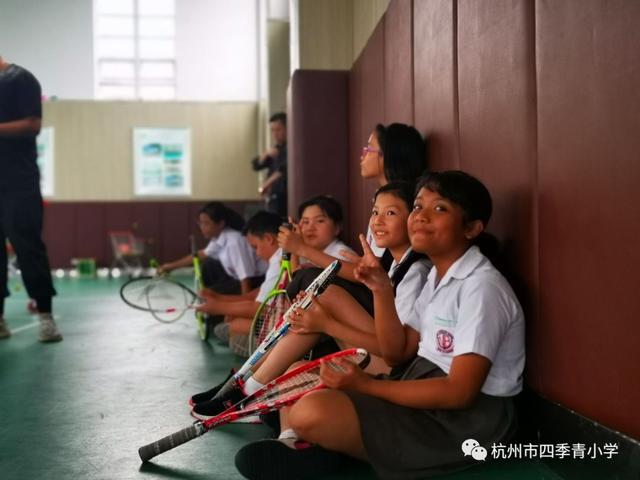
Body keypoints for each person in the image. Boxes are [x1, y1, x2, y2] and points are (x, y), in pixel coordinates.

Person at [234, 171, 525, 480]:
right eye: (417, 207)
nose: (421, 217)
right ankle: (307, 447)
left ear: (472, 228)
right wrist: (381, 290)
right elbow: (396, 352)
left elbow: (459, 393)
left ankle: (319, 444)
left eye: (439, 209)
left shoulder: (481, 288)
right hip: (419, 387)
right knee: (302, 391)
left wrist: (367, 386)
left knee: (310, 410)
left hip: (465, 423)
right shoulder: (438, 278)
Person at [191, 183, 431, 419]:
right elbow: (336, 273)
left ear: (414, 219)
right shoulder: (390, 262)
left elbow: (394, 353)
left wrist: (326, 324)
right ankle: (246, 385)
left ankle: (247, 390)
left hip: (392, 372)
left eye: (390, 213)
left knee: (324, 295)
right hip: (370, 352)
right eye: (375, 212)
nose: (377, 220)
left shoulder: (415, 272)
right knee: (309, 318)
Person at [0, 56, 61, 342]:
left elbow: (32, 124)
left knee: (28, 249)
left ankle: (46, 317)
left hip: (18, 184)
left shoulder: (20, 79)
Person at [158, 202, 265, 296]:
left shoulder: (234, 242)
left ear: (221, 224)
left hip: (257, 281)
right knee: (208, 267)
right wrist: (170, 266)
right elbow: (200, 255)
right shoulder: (219, 237)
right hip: (240, 278)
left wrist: (244, 307)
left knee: (211, 296)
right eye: (200, 223)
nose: (202, 227)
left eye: (206, 223)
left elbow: (245, 278)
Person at [251, 112, 287, 217]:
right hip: (273, 196)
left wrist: (266, 184)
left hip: (284, 196)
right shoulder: (276, 149)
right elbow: (256, 165)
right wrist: (266, 154)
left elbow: (283, 169)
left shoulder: (291, 148)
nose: (275, 133)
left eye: (278, 129)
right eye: (272, 130)